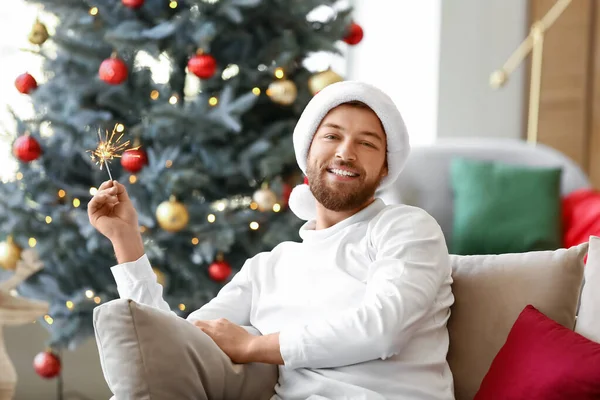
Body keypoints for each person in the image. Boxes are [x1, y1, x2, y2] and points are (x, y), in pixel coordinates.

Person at [88, 81, 455, 399]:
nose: (346, 151)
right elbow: (172, 343)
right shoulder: (269, 267)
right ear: (307, 151)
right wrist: (126, 242)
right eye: (332, 136)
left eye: (367, 143)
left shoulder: (406, 227)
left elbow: (383, 329)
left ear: (386, 167)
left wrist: (254, 346)